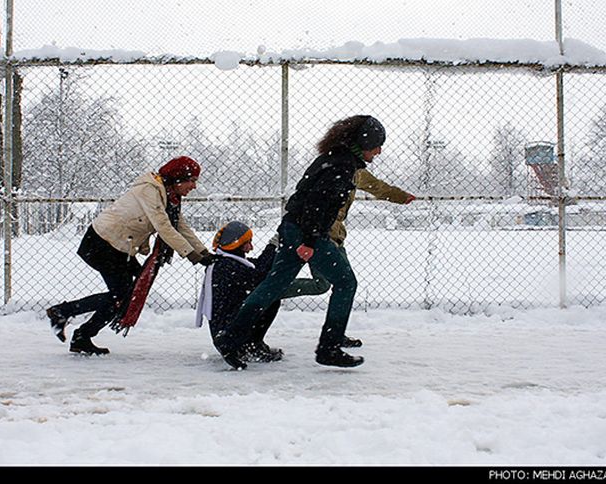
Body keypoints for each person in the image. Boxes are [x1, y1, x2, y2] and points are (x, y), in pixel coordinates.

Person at [214, 115, 389, 370]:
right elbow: (318, 205)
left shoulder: (329, 159)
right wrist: (307, 241)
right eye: (376, 145)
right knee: (345, 282)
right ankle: (329, 347)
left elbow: (302, 197)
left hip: (292, 227)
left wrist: (297, 235)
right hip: (308, 232)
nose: (379, 151)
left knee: (274, 285)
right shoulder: (341, 167)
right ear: (362, 143)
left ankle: (230, 338)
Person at [46, 156, 217, 355]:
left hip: (121, 248)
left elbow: (181, 227)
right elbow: (164, 227)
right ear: (178, 178)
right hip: (102, 243)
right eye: (192, 180)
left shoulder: (170, 198)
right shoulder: (150, 190)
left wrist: (204, 253)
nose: (194, 186)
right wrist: (194, 257)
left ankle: (80, 334)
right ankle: (65, 316)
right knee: (121, 296)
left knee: (125, 296)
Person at [281, 167, 416, 349]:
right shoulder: (335, 168)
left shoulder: (355, 171)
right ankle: (271, 292)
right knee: (330, 284)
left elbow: (376, 186)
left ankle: (335, 333)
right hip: (319, 235)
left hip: (334, 235)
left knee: (342, 284)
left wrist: (400, 196)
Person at [196, 221, 283, 363]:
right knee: (267, 299)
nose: (251, 248)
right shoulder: (228, 267)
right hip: (226, 334)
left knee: (265, 299)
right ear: (236, 244)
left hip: (225, 327)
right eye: (248, 243)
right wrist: (272, 246)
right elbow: (259, 273)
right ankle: (249, 347)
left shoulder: (225, 262)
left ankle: (251, 344)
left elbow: (257, 265)